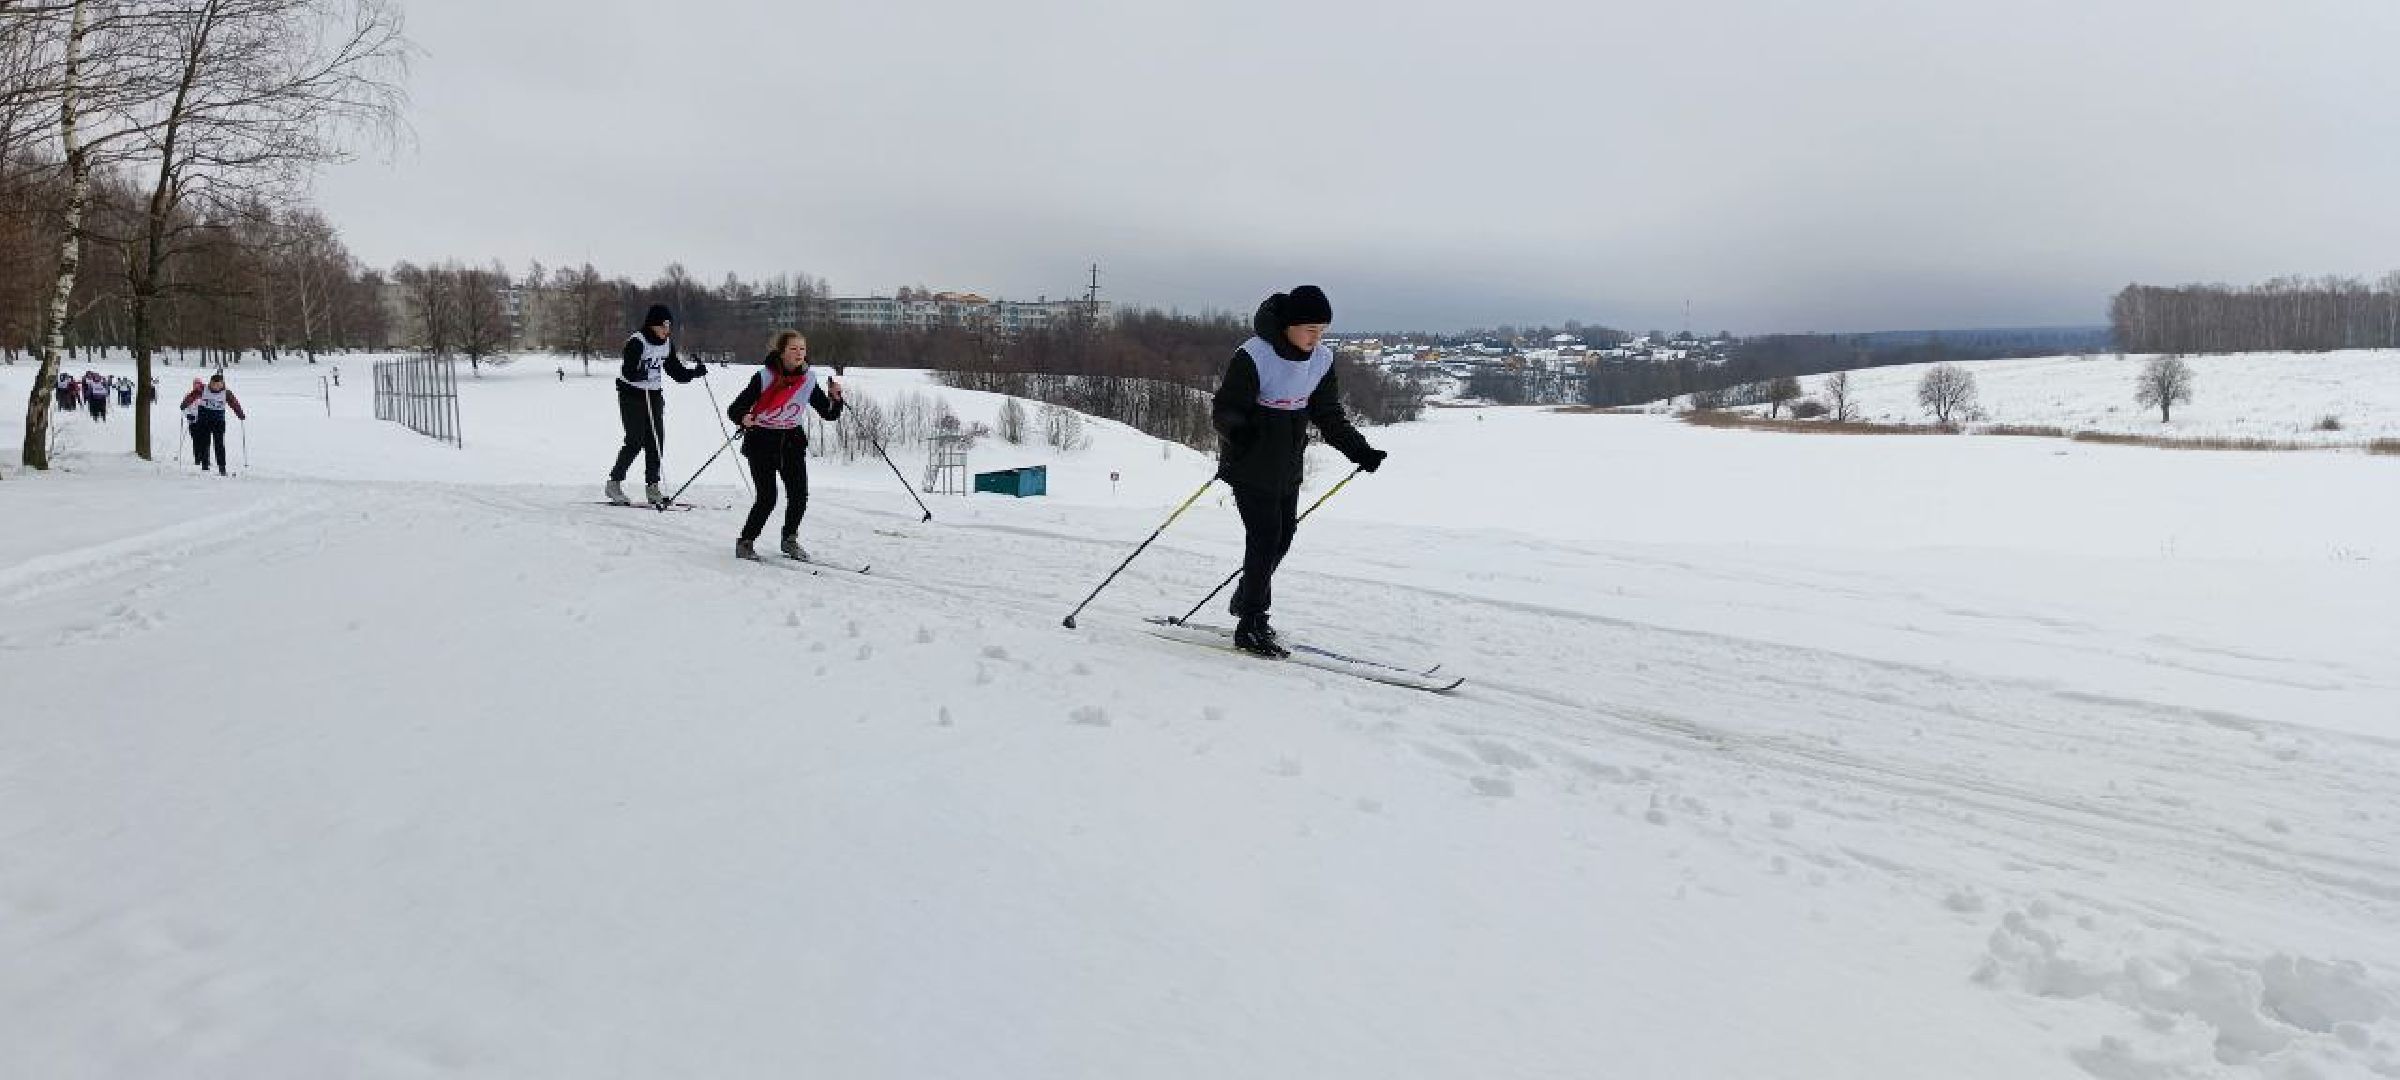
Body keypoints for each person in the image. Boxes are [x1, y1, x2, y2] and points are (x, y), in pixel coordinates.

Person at [1210, 285, 1386, 658]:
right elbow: (1225, 409)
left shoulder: (1321, 360)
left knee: (1283, 538)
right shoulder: (1254, 355)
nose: (1316, 337)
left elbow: (1328, 415)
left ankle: (1246, 598)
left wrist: (1360, 451)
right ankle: (1251, 624)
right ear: (1288, 325)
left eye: (1322, 330)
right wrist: (1239, 432)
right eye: (1309, 329)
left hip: (1287, 466)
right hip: (1250, 464)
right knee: (1264, 539)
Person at [725, 330, 845, 561]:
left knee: (799, 495)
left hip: (791, 441)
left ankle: (789, 540)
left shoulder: (808, 379)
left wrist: (836, 399)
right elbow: (735, 408)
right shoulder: (764, 377)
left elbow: (827, 413)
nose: (799, 353)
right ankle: (746, 542)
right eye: (793, 349)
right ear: (781, 352)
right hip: (761, 442)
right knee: (767, 497)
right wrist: (743, 418)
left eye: (803, 349)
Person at [605, 303, 707, 508]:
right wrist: (641, 374)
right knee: (635, 440)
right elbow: (628, 371)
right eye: (663, 326)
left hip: (653, 395)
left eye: (669, 326)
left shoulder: (666, 344)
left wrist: (694, 373)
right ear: (652, 325)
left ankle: (653, 487)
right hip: (631, 395)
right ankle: (613, 483)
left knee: (656, 442)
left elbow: (675, 371)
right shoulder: (637, 342)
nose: (667, 330)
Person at [180, 371, 246, 475]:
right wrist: (184, 404)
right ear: (210, 383)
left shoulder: (226, 393)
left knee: (219, 444)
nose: (216, 387)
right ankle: (205, 465)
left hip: (218, 421)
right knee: (205, 442)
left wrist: (240, 414)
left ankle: (222, 467)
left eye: (218, 384)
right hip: (204, 420)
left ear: (222, 384)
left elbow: (234, 403)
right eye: (214, 384)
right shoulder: (203, 389)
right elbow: (192, 396)